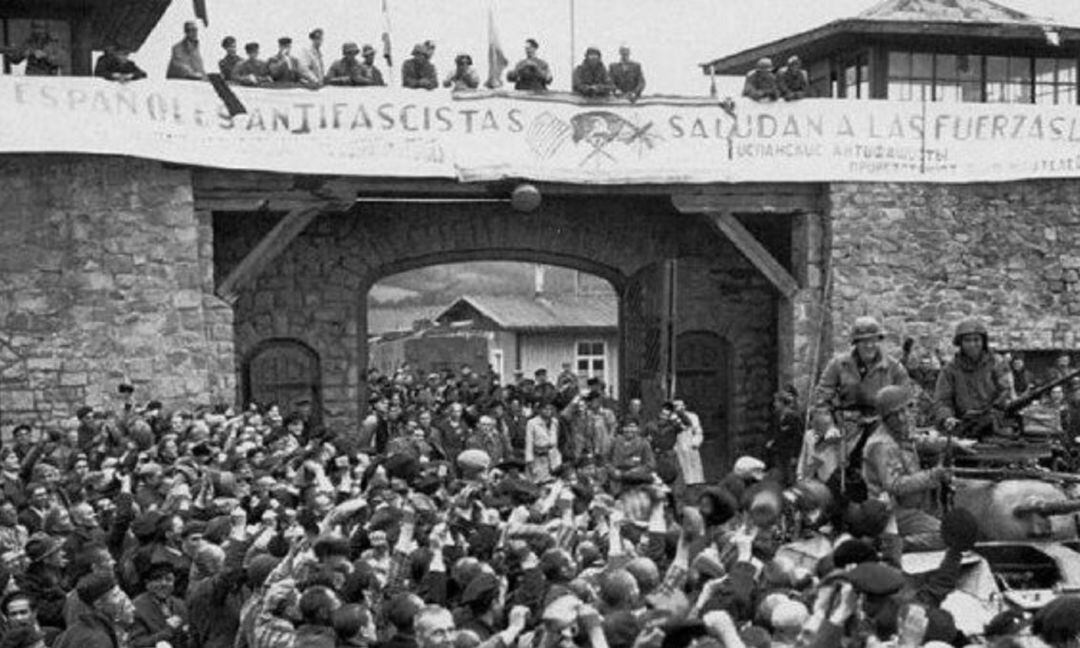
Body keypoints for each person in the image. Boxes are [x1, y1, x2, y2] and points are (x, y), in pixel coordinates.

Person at [814, 316, 908, 498]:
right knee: (823, 456)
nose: (869, 346)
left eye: (873, 340)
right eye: (864, 341)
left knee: (883, 460)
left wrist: (899, 427)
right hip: (846, 425)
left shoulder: (894, 368)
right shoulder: (839, 364)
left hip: (881, 424)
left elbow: (906, 401)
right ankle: (829, 501)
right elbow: (821, 399)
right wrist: (828, 426)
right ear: (855, 343)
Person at [863, 385, 951, 550]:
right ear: (885, 418)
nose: (903, 418)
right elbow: (894, 485)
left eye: (905, 411)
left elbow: (915, 441)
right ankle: (894, 545)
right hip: (891, 510)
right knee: (947, 535)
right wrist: (933, 475)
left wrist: (949, 444)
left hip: (910, 506)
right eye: (895, 415)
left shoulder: (898, 433)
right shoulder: (882, 444)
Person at [933, 318, 1015, 439]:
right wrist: (947, 418)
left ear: (983, 341)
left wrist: (994, 410)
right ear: (960, 343)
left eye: (976, 340)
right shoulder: (950, 369)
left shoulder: (997, 363)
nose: (972, 344)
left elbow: (1006, 391)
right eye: (967, 340)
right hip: (964, 426)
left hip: (996, 425)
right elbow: (942, 400)